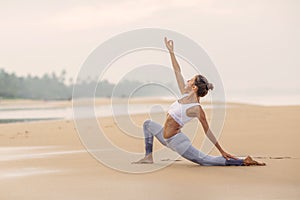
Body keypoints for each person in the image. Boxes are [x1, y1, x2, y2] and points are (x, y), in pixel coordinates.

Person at [133, 37, 265, 166]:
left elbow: (207, 130)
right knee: (147, 124)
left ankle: (243, 161)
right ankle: (148, 157)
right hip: (165, 137)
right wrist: (171, 52)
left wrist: (221, 150)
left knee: (205, 160)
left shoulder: (196, 109)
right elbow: (177, 71)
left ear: (194, 87)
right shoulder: (184, 94)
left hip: (177, 142)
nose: (187, 81)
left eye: (190, 80)